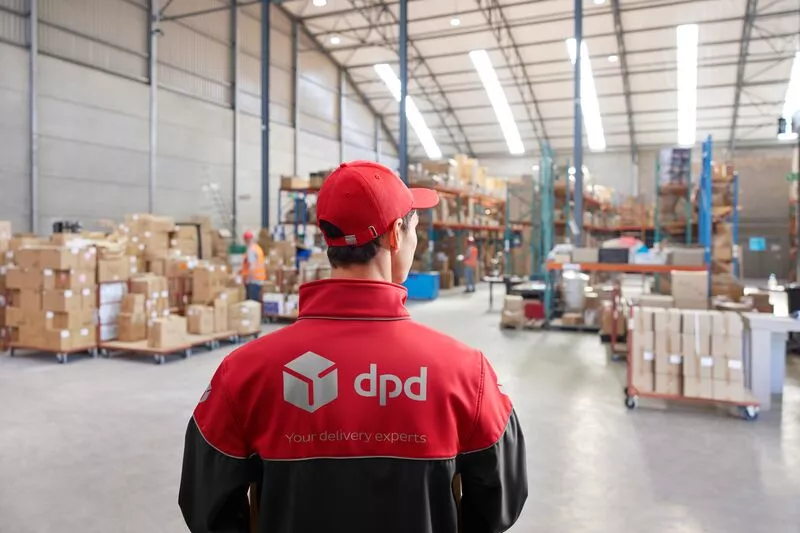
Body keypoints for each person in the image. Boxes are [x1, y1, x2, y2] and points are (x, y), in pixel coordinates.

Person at [179, 161, 527, 533]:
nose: (415, 242)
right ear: (395, 235)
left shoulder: (245, 372)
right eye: (414, 230)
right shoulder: (464, 373)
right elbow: (500, 501)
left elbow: (205, 505)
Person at [240, 230, 265, 302]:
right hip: (259, 280)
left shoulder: (251, 250)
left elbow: (252, 266)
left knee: (251, 304)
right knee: (255, 304)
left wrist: (247, 279)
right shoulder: (258, 248)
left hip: (252, 281)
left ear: (246, 240)